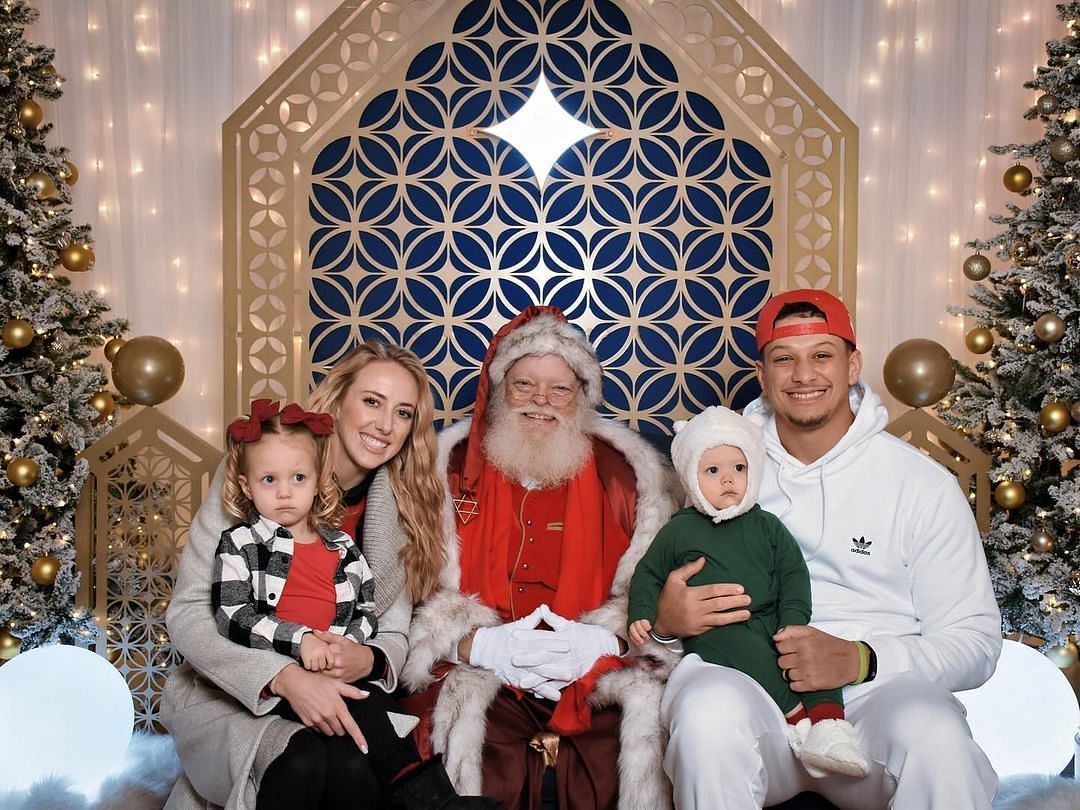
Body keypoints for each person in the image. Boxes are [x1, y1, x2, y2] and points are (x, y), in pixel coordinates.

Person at [654, 289, 1002, 809]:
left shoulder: (920, 484)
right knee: (705, 714)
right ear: (763, 373)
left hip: (875, 693)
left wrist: (861, 660)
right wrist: (665, 623)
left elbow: (975, 643)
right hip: (748, 685)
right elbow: (655, 610)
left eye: (822, 355)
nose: (803, 375)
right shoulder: (717, 468)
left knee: (937, 736)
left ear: (853, 363)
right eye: (784, 359)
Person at [162, 342, 500, 810]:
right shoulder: (266, 469)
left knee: (354, 762)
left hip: (345, 690)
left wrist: (368, 658)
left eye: (403, 413)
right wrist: (283, 677)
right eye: (372, 402)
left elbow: (394, 629)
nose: (385, 425)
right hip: (237, 688)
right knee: (306, 763)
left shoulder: (401, 504)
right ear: (338, 402)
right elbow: (190, 615)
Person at [400, 305, 683, 810]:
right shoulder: (447, 468)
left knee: (638, 737)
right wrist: (474, 646)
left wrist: (601, 638)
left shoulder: (630, 477)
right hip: (480, 668)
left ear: (582, 397)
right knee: (447, 742)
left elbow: (659, 592)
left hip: (595, 671)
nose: (541, 402)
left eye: (559, 388)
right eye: (524, 385)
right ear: (499, 388)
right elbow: (403, 591)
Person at [626, 406, 869, 780]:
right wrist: (642, 612)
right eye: (713, 471)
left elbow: (793, 573)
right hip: (716, 631)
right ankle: (798, 719)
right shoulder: (679, 530)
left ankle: (830, 727)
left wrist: (793, 621)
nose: (728, 480)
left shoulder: (767, 525)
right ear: (691, 478)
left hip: (771, 617)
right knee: (752, 654)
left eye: (738, 469)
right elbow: (649, 573)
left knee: (809, 654)